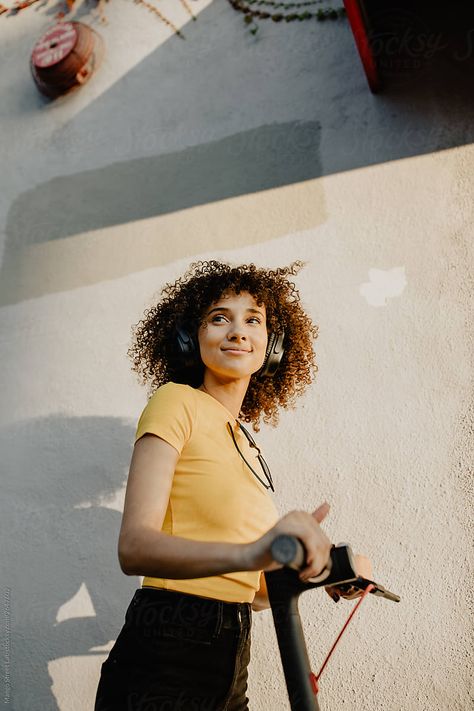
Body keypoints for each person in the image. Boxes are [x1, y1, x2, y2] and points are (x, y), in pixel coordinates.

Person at [94, 260, 370, 711]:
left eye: (253, 320)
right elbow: (134, 548)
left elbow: (254, 590)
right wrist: (254, 551)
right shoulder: (175, 402)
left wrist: (326, 572)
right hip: (167, 649)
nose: (237, 331)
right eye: (219, 317)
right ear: (190, 338)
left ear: (273, 346)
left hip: (231, 653)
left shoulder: (246, 445)